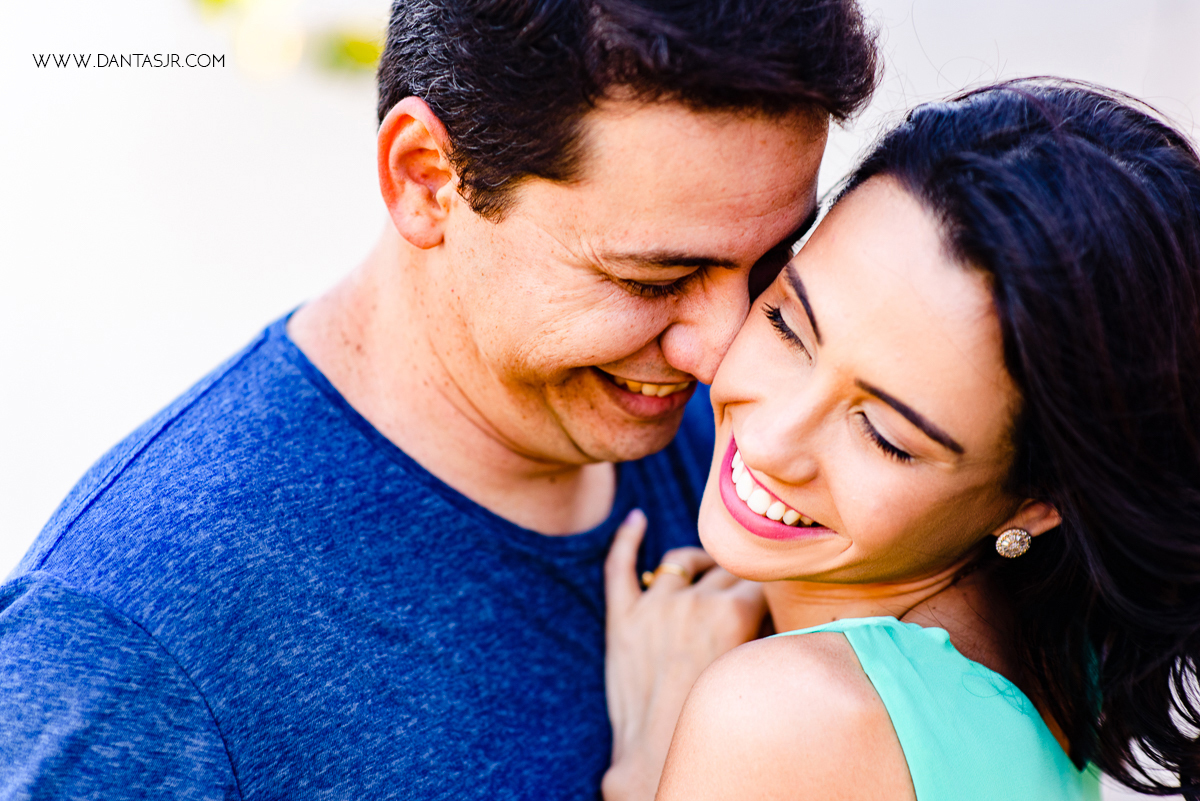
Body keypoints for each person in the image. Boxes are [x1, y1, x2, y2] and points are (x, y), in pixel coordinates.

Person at [0, 1, 878, 798]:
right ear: (425, 178)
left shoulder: (770, 457)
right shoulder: (132, 642)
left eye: (767, 267)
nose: (726, 354)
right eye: (657, 278)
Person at [603, 80, 1200, 800]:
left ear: (1038, 503)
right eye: (790, 326)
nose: (770, 437)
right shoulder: (1057, 654)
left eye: (885, 436)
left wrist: (645, 765)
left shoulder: (783, 717)